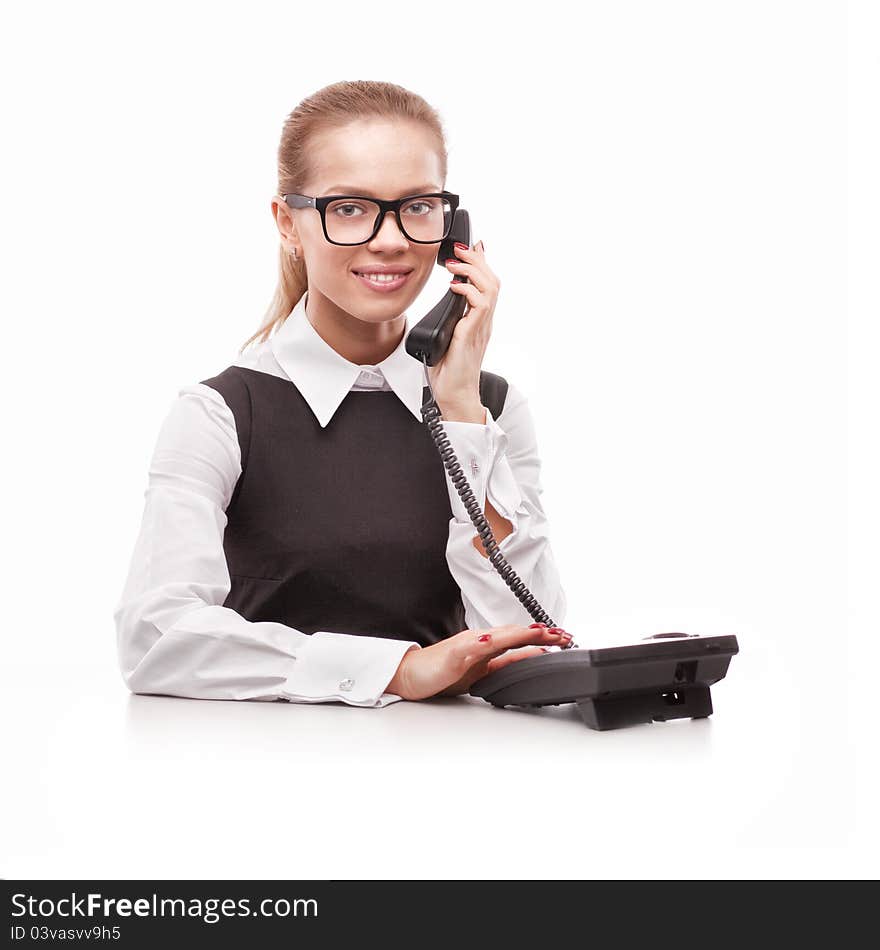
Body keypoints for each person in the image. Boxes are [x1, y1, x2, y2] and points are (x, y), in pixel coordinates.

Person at [113, 79, 571, 708]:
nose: (390, 239)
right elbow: (154, 636)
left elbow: (539, 643)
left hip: (456, 767)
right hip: (254, 765)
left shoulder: (490, 408)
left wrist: (462, 411)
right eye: (349, 207)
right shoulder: (221, 414)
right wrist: (398, 669)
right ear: (287, 222)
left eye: (417, 206)